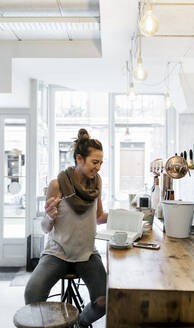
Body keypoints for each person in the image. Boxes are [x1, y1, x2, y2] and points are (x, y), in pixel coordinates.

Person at [24, 128, 108, 328]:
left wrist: (127, 217)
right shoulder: (57, 184)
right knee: (31, 294)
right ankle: (56, 323)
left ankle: (78, 322)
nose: (98, 168)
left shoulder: (97, 184)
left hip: (87, 254)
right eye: (95, 162)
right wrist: (49, 216)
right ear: (79, 158)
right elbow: (45, 228)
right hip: (57, 253)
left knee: (105, 300)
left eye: (101, 163)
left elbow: (98, 218)